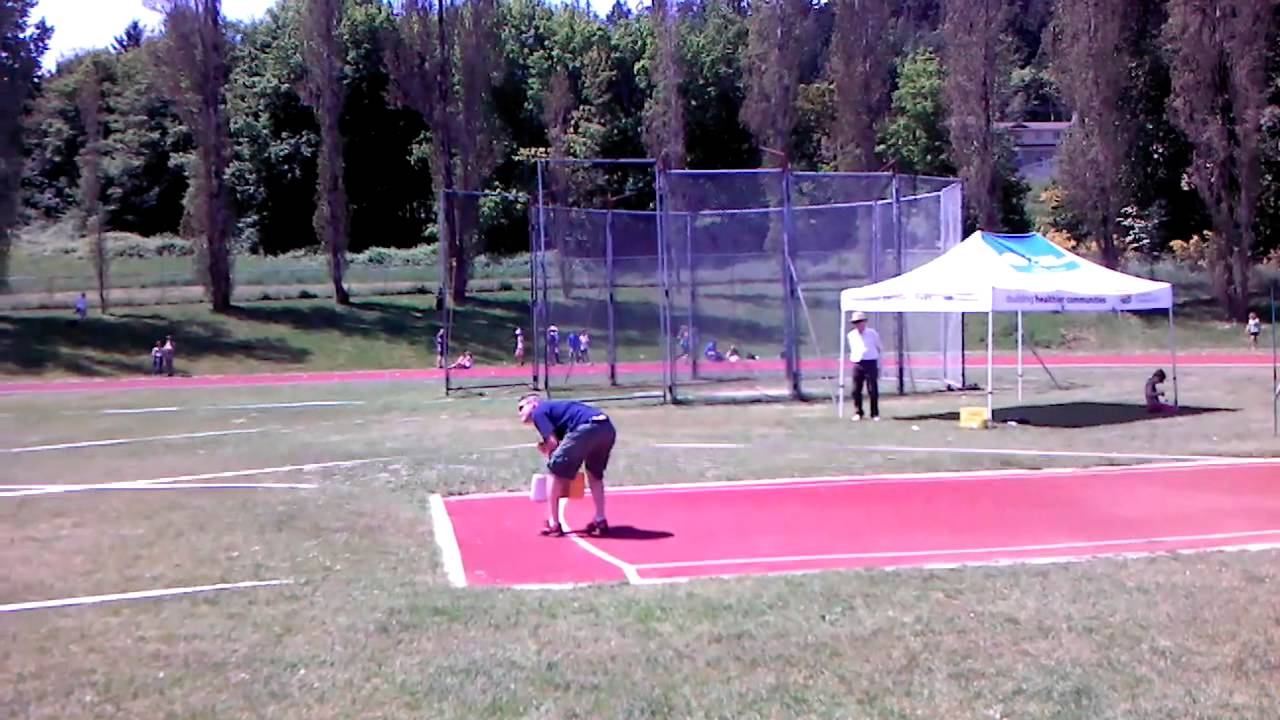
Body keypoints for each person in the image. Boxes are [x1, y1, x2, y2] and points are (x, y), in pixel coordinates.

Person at [518, 393, 615, 537]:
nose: (519, 413)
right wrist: (550, 449)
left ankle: (554, 523)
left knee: (554, 471)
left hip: (585, 427)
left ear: (533, 404)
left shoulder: (539, 411)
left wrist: (548, 450)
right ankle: (600, 519)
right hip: (606, 427)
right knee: (595, 473)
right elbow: (560, 443)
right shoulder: (555, 412)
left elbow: (553, 443)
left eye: (521, 407)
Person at [847, 311, 881, 421]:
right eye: (855, 322)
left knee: (872, 389)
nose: (858, 325)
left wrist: (879, 364)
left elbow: (879, 347)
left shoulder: (872, 333)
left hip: (871, 362)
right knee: (856, 389)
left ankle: (874, 413)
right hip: (858, 363)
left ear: (864, 322)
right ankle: (858, 412)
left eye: (859, 322)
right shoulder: (851, 335)